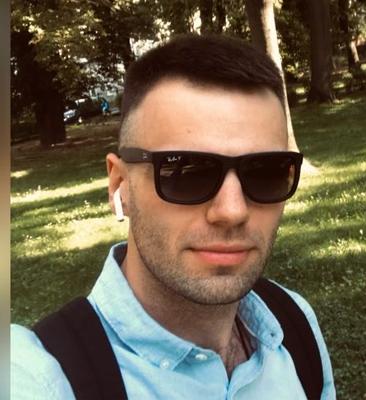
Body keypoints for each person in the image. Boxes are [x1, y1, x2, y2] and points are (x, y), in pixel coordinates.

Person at [11, 34, 335, 399]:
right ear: (120, 185)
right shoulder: (40, 378)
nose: (232, 211)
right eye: (186, 172)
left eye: (266, 172)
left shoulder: (295, 325)